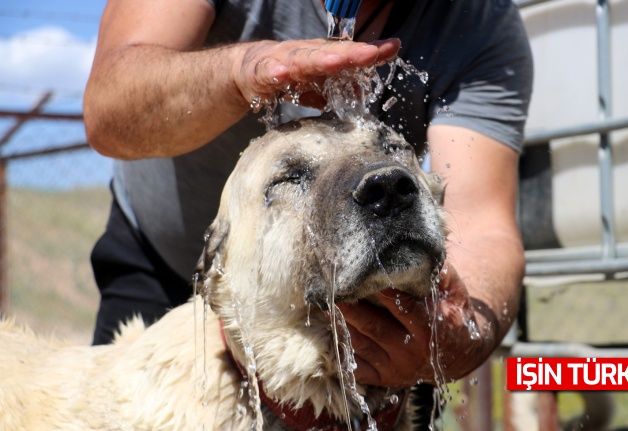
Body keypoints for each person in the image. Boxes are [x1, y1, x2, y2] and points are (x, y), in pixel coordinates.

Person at [84, 0, 532, 406]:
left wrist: (460, 334)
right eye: (292, 174)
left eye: (390, 155)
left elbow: (483, 223)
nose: (384, 183)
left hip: (382, 317)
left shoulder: (481, 20)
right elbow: (109, 107)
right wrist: (242, 70)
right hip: (160, 265)